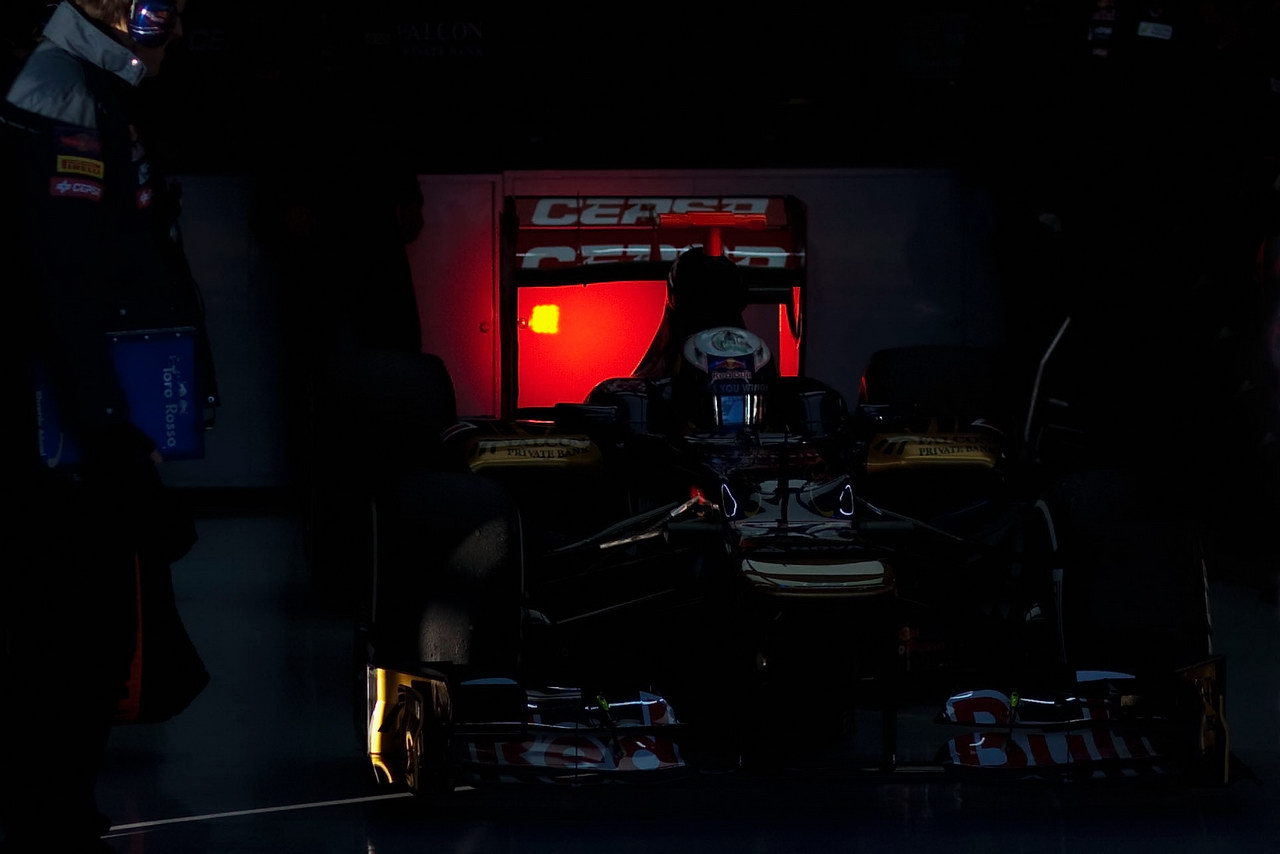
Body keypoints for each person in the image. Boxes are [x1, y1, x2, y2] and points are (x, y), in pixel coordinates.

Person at [0, 2, 211, 851]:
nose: (173, 35)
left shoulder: (86, 90)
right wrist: (110, 428)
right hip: (61, 432)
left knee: (87, 621)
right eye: (155, 14)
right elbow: (60, 278)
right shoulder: (62, 95)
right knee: (77, 627)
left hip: (75, 416)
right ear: (107, 17)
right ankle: (51, 813)